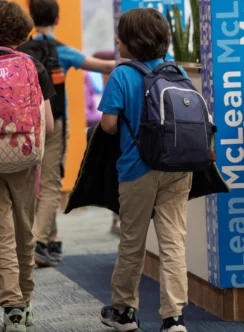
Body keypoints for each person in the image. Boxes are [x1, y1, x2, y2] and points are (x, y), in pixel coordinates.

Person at [98, 8, 190, 332]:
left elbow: (108, 125)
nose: (118, 40)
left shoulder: (122, 75)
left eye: (121, 35)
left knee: (132, 242)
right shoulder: (176, 70)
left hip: (137, 170)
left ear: (131, 42)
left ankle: (123, 313)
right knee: (173, 243)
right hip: (178, 168)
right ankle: (174, 318)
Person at [0, 1, 55, 331]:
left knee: (0, 236)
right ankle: (27, 300)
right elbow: (47, 125)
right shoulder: (34, 66)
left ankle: (12, 309)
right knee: (24, 233)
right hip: (25, 160)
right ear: (23, 31)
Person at [19, 0, 116, 267]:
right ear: (58, 19)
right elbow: (105, 67)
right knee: (50, 185)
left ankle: (52, 239)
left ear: (31, 18)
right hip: (55, 123)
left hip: (24, 126)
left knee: (32, 183)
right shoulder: (63, 51)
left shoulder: (22, 51)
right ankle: (35, 241)